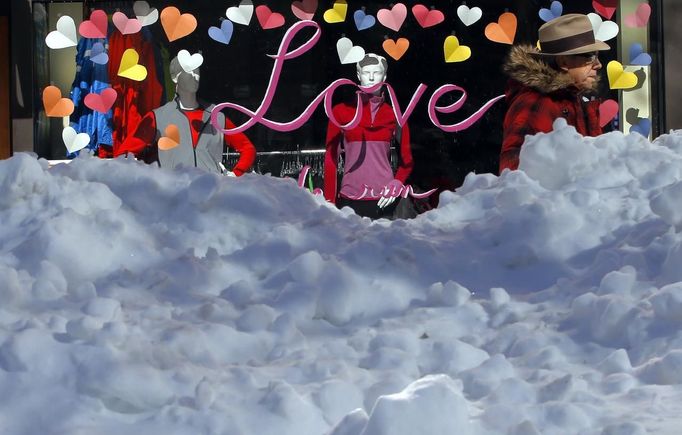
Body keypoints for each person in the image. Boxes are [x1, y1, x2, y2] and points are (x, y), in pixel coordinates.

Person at [499, 13, 609, 172]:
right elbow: (513, 172)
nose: (598, 65)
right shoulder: (533, 102)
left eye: (597, 56)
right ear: (564, 62)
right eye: (590, 56)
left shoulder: (575, 99)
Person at [115, 55, 256, 176]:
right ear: (175, 77)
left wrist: (236, 173)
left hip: (212, 196)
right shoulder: (159, 117)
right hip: (176, 197)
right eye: (190, 71)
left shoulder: (216, 117)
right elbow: (123, 155)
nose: (195, 76)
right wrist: (147, 177)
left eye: (197, 71)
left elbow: (247, 148)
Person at [324, 53, 414, 219]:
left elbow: (407, 160)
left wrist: (398, 182)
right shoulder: (340, 112)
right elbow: (331, 159)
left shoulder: (395, 114)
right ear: (358, 76)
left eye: (377, 72)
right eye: (366, 73)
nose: (372, 77)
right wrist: (329, 202)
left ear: (384, 76)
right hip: (350, 199)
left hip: (384, 199)